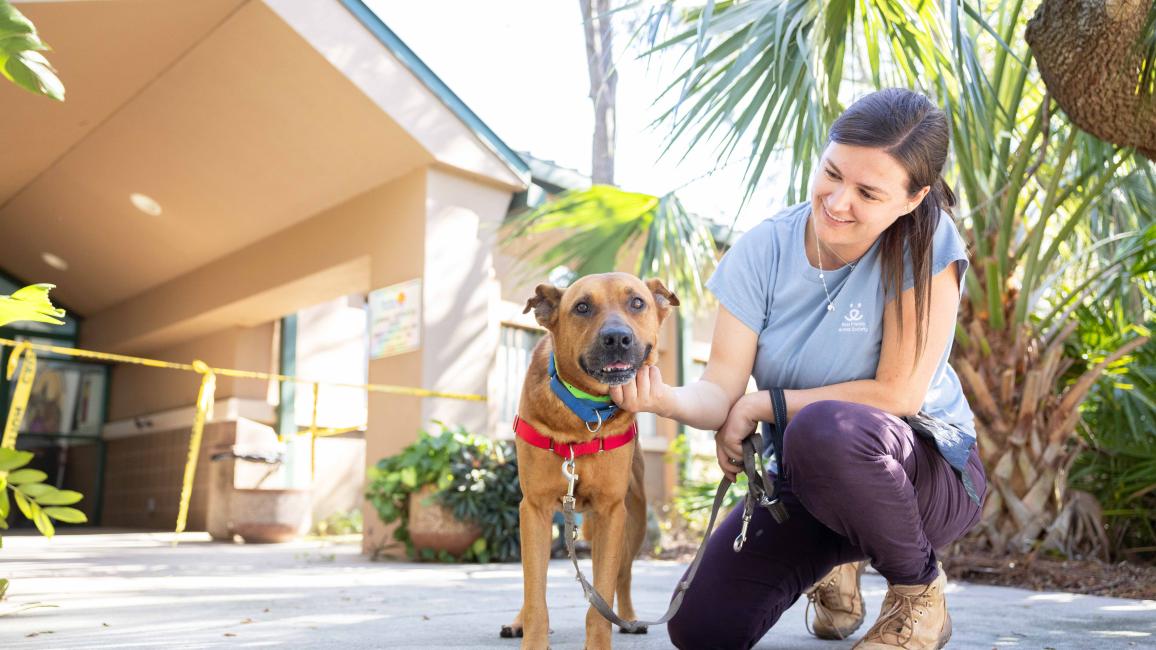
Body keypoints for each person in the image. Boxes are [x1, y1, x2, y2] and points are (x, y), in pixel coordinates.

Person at [609, 88, 985, 650]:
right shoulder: (763, 251)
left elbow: (899, 393)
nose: (837, 201)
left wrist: (767, 404)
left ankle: (919, 594)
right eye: (831, 173)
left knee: (822, 429)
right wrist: (662, 399)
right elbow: (719, 391)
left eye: (867, 191)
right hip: (809, 480)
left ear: (912, 199)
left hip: (926, 478)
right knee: (701, 630)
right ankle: (839, 558)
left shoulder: (925, 240)